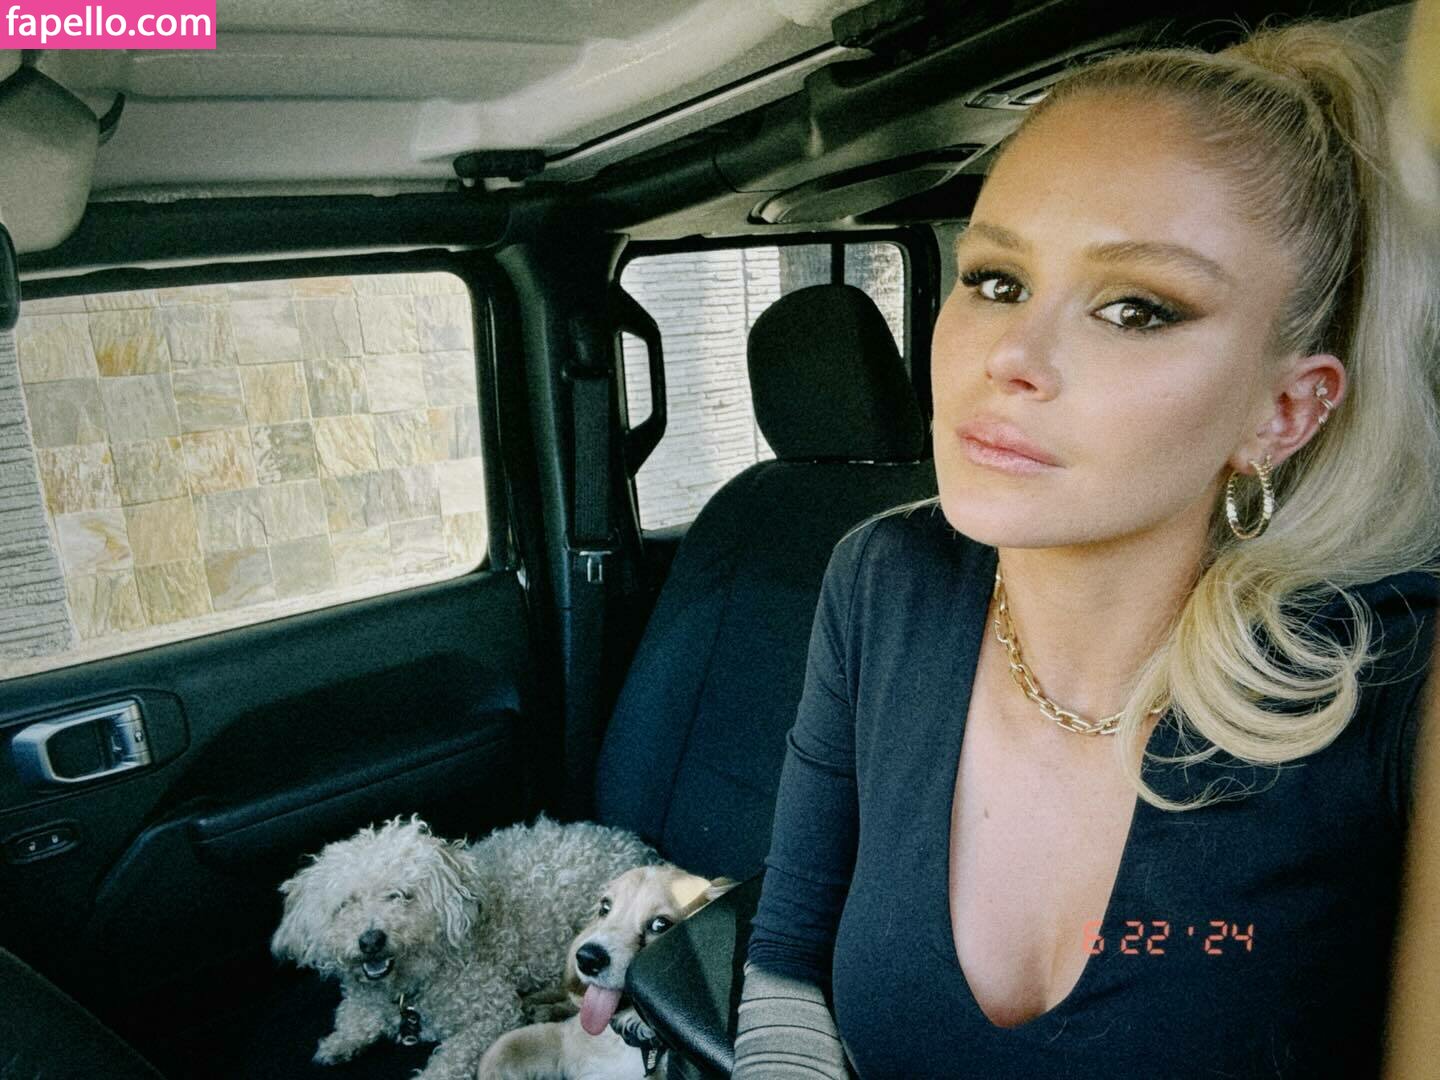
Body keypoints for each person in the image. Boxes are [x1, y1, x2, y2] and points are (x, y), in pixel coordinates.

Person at [730, 13, 1440, 1080]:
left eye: (1136, 308)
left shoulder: (1403, 689)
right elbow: (788, 966)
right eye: (996, 280)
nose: (1010, 355)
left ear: (1284, 411)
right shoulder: (883, 581)